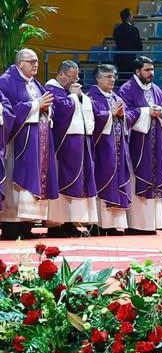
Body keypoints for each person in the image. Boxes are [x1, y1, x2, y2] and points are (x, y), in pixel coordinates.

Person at [0, 49, 58, 231]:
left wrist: (46, 109)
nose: (35, 64)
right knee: (14, 179)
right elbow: (7, 111)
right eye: (31, 61)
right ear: (20, 63)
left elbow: (47, 105)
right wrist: (35, 105)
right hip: (17, 143)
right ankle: (11, 225)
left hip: (38, 140)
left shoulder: (35, 84)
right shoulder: (6, 81)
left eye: (37, 61)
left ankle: (27, 223)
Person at [117, 57, 162, 233]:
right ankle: (136, 224)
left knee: (154, 179)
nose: (151, 73)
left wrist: (161, 112)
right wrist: (145, 112)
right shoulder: (127, 89)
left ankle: (150, 224)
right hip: (138, 144)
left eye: (152, 69)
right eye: (147, 70)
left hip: (155, 142)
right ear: (137, 71)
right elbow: (123, 114)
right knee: (138, 178)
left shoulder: (156, 90)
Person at [44, 60, 97, 232]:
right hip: (62, 144)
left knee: (76, 182)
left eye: (77, 76)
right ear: (61, 75)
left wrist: (79, 97)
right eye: (72, 77)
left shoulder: (68, 91)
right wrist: (74, 97)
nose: (75, 81)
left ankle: (71, 221)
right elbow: (60, 112)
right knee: (60, 181)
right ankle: (56, 223)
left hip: (76, 143)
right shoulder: (51, 89)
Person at [86, 63, 133, 233]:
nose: (112, 80)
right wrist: (109, 114)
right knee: (104, 180)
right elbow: (93, 119)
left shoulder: (115, 97)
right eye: (107, 76)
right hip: (102, 150)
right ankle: (101, 224)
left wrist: (123, 116)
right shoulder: (91, 97)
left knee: (118, 180)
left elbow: (126, 117)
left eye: (113, 76)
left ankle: (115, 224)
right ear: (98, 79)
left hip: (119, 147)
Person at [112, 9, 143, 78]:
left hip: (119, 57)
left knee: (121, 77)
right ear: (129, 17)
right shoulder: (134, 29)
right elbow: (138, 44)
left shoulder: (117, 29)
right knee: (130, 78)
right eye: (131, 15)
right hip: (130, 58)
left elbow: (116, 41)